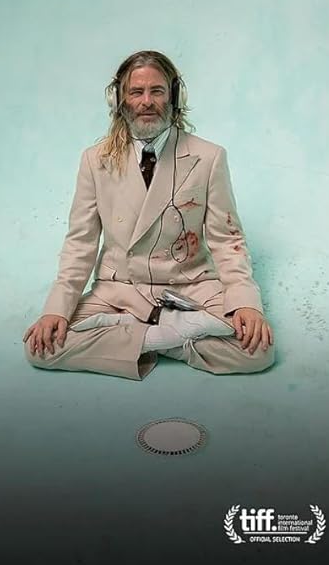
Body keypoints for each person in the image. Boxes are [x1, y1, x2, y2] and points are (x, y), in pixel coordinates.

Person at [23, 50, 275, 380]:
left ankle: (134, 336)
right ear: (118, 100)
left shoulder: (209, 157)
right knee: (42, 348)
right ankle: (170, 337)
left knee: (257, 351)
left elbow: (228, 241)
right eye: (136, 92)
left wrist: (246, 303)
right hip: (119, 291)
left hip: (191, 286)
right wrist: (55, 309)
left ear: (175, 96)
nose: (147, 102)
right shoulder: (95, 161)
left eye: (157, 91)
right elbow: (80, 243)